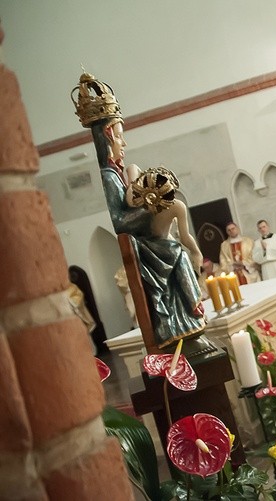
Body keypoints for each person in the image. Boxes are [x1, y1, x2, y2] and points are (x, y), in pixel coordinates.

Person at [74, 72, 206, 349]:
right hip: (144, 245)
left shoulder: (122, 172)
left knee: (179, 248)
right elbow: (119, 221)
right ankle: (187, 311)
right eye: (121, 137)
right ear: (109, 136)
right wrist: (151, 207)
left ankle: (190, 312)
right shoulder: (109, 175)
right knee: (178, 252)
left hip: (149, 241)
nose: (125, 144)